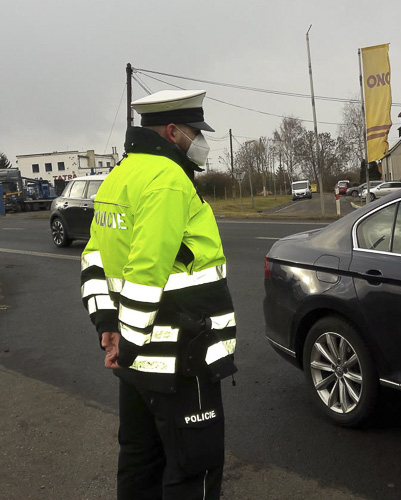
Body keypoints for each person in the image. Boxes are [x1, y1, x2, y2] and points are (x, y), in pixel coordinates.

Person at [80, 89, 237, 500]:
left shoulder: (120, 176)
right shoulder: (167, 180)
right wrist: (127, 344)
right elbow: (147, 272)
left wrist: (109, 329)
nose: (200, 141)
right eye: (194, 131)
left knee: (140, 463)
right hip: (182, 358)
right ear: (172, 132)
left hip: (134, 365)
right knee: (193, 469)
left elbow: (94, 258)